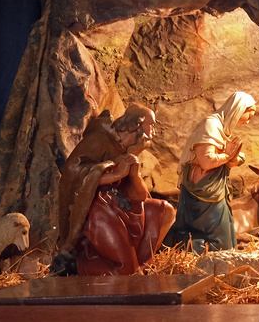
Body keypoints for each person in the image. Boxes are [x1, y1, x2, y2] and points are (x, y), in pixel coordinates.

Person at [57, 103, 175, 276]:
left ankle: (141, 269)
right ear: (137, 124)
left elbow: (140, 197)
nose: (154, 132)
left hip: (121, 205)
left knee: (164, 211)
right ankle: (74, 267)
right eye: (151, 125)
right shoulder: (100, 140)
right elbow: (74, 172)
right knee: (124, 270)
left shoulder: (128, 149)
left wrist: (133, 171)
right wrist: (116, 175)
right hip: (98, 208)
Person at [165, 91, 255, 253]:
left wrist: (234, 158)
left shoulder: (222, 129)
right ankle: (202, 257)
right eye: (248, 116)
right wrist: (228, 155)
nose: (248, 121)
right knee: (215, 234)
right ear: (239, 109)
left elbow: (222, 158)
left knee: (222, 232)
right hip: (204, 191)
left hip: (213, 189)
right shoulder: (211, 125)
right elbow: (206, 162)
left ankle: (218, 259)